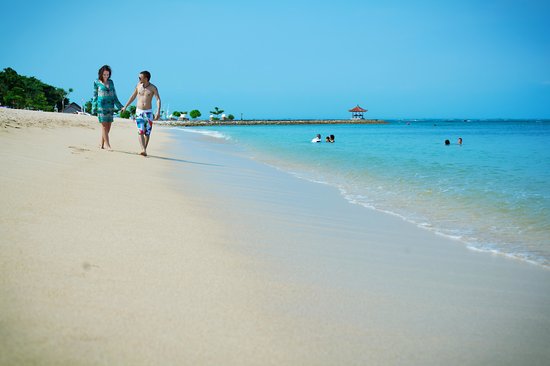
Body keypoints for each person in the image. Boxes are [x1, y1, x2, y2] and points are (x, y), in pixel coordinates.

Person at [121, 71, 161, 156]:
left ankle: (144, 150)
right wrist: (125, 106)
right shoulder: (138, 86)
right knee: (140, 131)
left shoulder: (153, 88)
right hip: (139, 112)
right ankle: (143, 149)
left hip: (148, 112)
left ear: (146, 78)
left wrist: (158, 111)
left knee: (147, 133)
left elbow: (158, 99)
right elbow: (133, 96)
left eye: (140, 77)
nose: (138, 79)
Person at [92, 65, 123, 149]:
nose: (106, 76)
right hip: (101, 106)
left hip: (110, 106)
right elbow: (95, 96)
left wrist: (120, 107)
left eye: (107, 74)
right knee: (104, 126)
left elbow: (114, 95)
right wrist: (93, 107)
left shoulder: (111, 82)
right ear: (101, 74)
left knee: (108, 127)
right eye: (104, 74)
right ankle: (107, 145)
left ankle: (101, 144)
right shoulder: (96, 82)